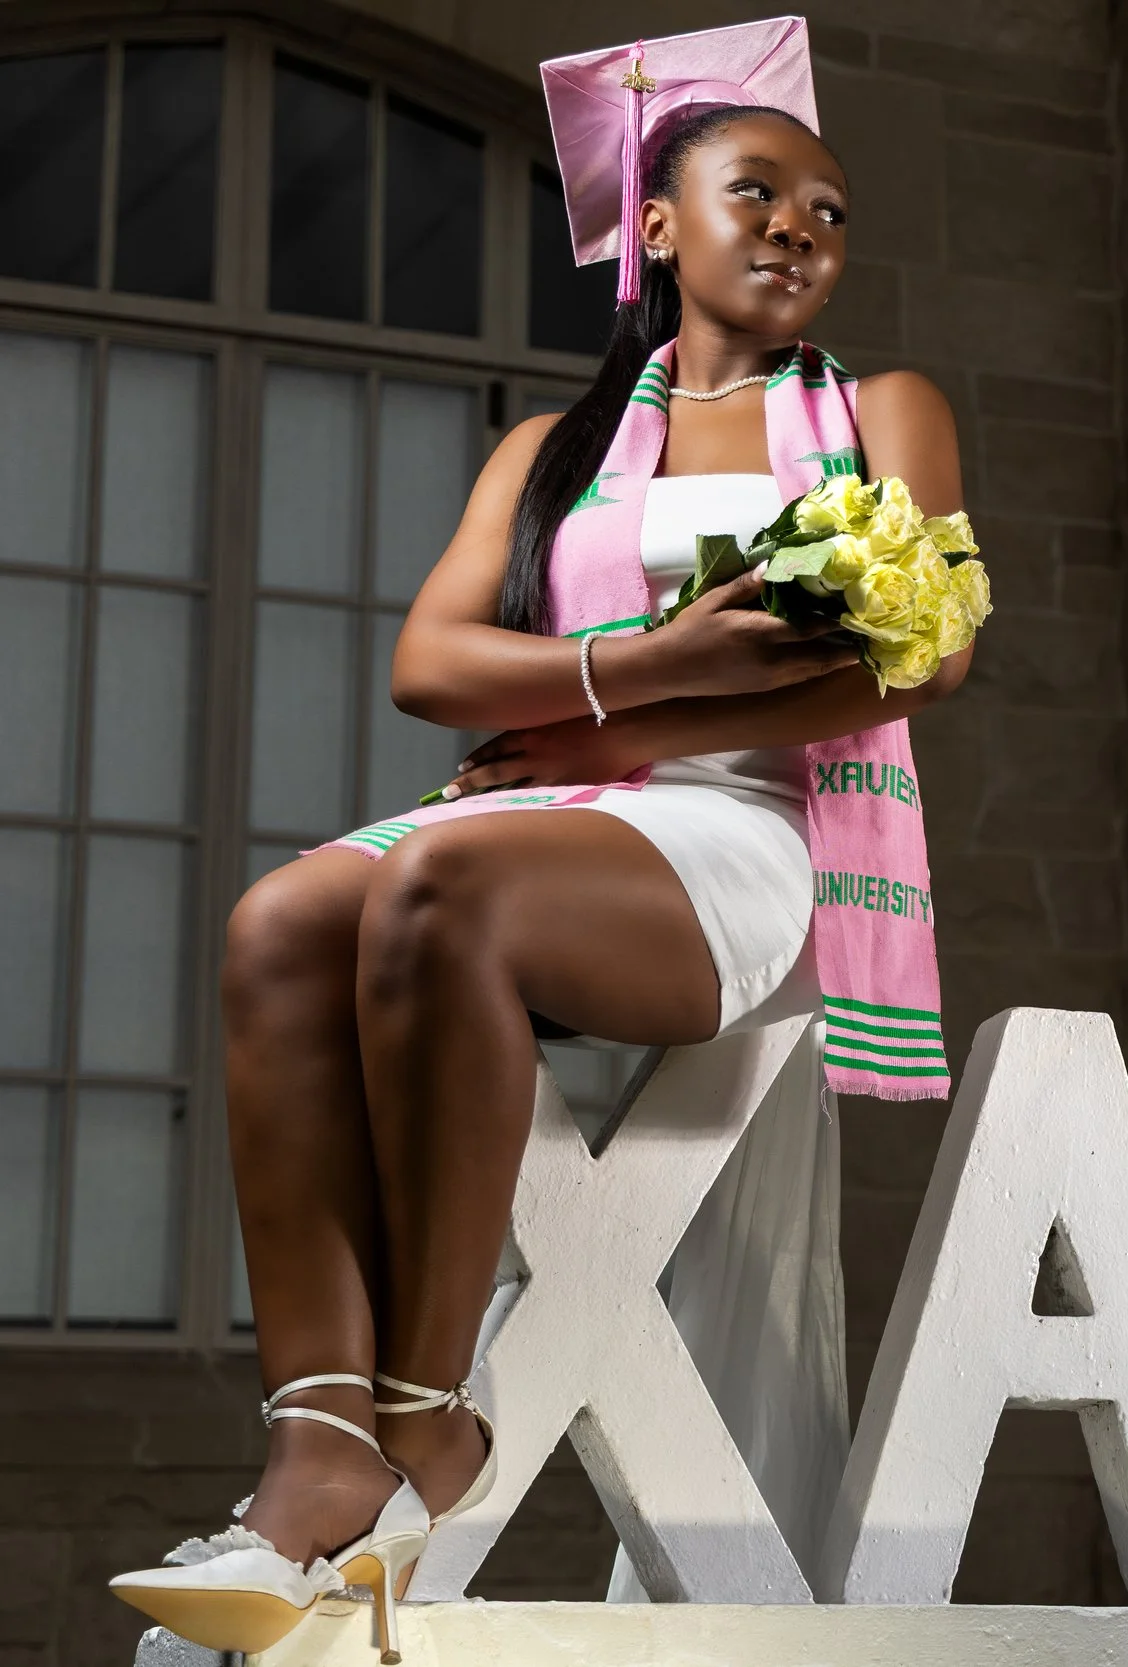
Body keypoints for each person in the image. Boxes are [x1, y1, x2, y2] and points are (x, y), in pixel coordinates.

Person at [108, 20, 966, 1658]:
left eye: (831, 211)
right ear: (656, 222)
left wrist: (586, 715)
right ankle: (319, 1435)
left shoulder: (881, 416)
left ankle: (431, 1410)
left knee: (439, 870)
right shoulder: (551, 456)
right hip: (550, 819)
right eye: (759, 189)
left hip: (745, 835)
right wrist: (669, 666)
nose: (800, 226)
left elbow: (914, 650)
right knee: (280, 919)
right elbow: (430, 667)